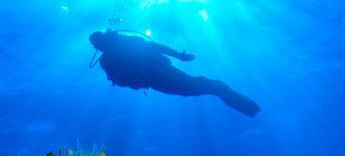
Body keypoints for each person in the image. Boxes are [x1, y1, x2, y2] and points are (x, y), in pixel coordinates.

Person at [89, 30, 261, 117]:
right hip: (159, 75)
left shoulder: (114, 53)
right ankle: (248, 107)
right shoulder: (115, 53)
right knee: (202, 85)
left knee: (203, 86)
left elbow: (153, 48)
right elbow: (154, 47)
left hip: (159, 75)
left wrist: (179, 56)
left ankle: (249, 108)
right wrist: (179, 56)